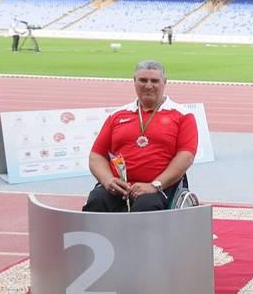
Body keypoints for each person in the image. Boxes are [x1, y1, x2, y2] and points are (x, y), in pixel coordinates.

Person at [83, 60, 198, 212]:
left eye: (154, 81)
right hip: (119, 186)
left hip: (159, 187)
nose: (148, 86)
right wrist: (108, 180)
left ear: (164, 82)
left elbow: (186, 156)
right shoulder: (117, 116)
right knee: (97, 200)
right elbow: (96, 155)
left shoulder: (183, 115)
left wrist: (155, 185)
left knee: (146, 206)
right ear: (134, 81)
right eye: (143, 80)